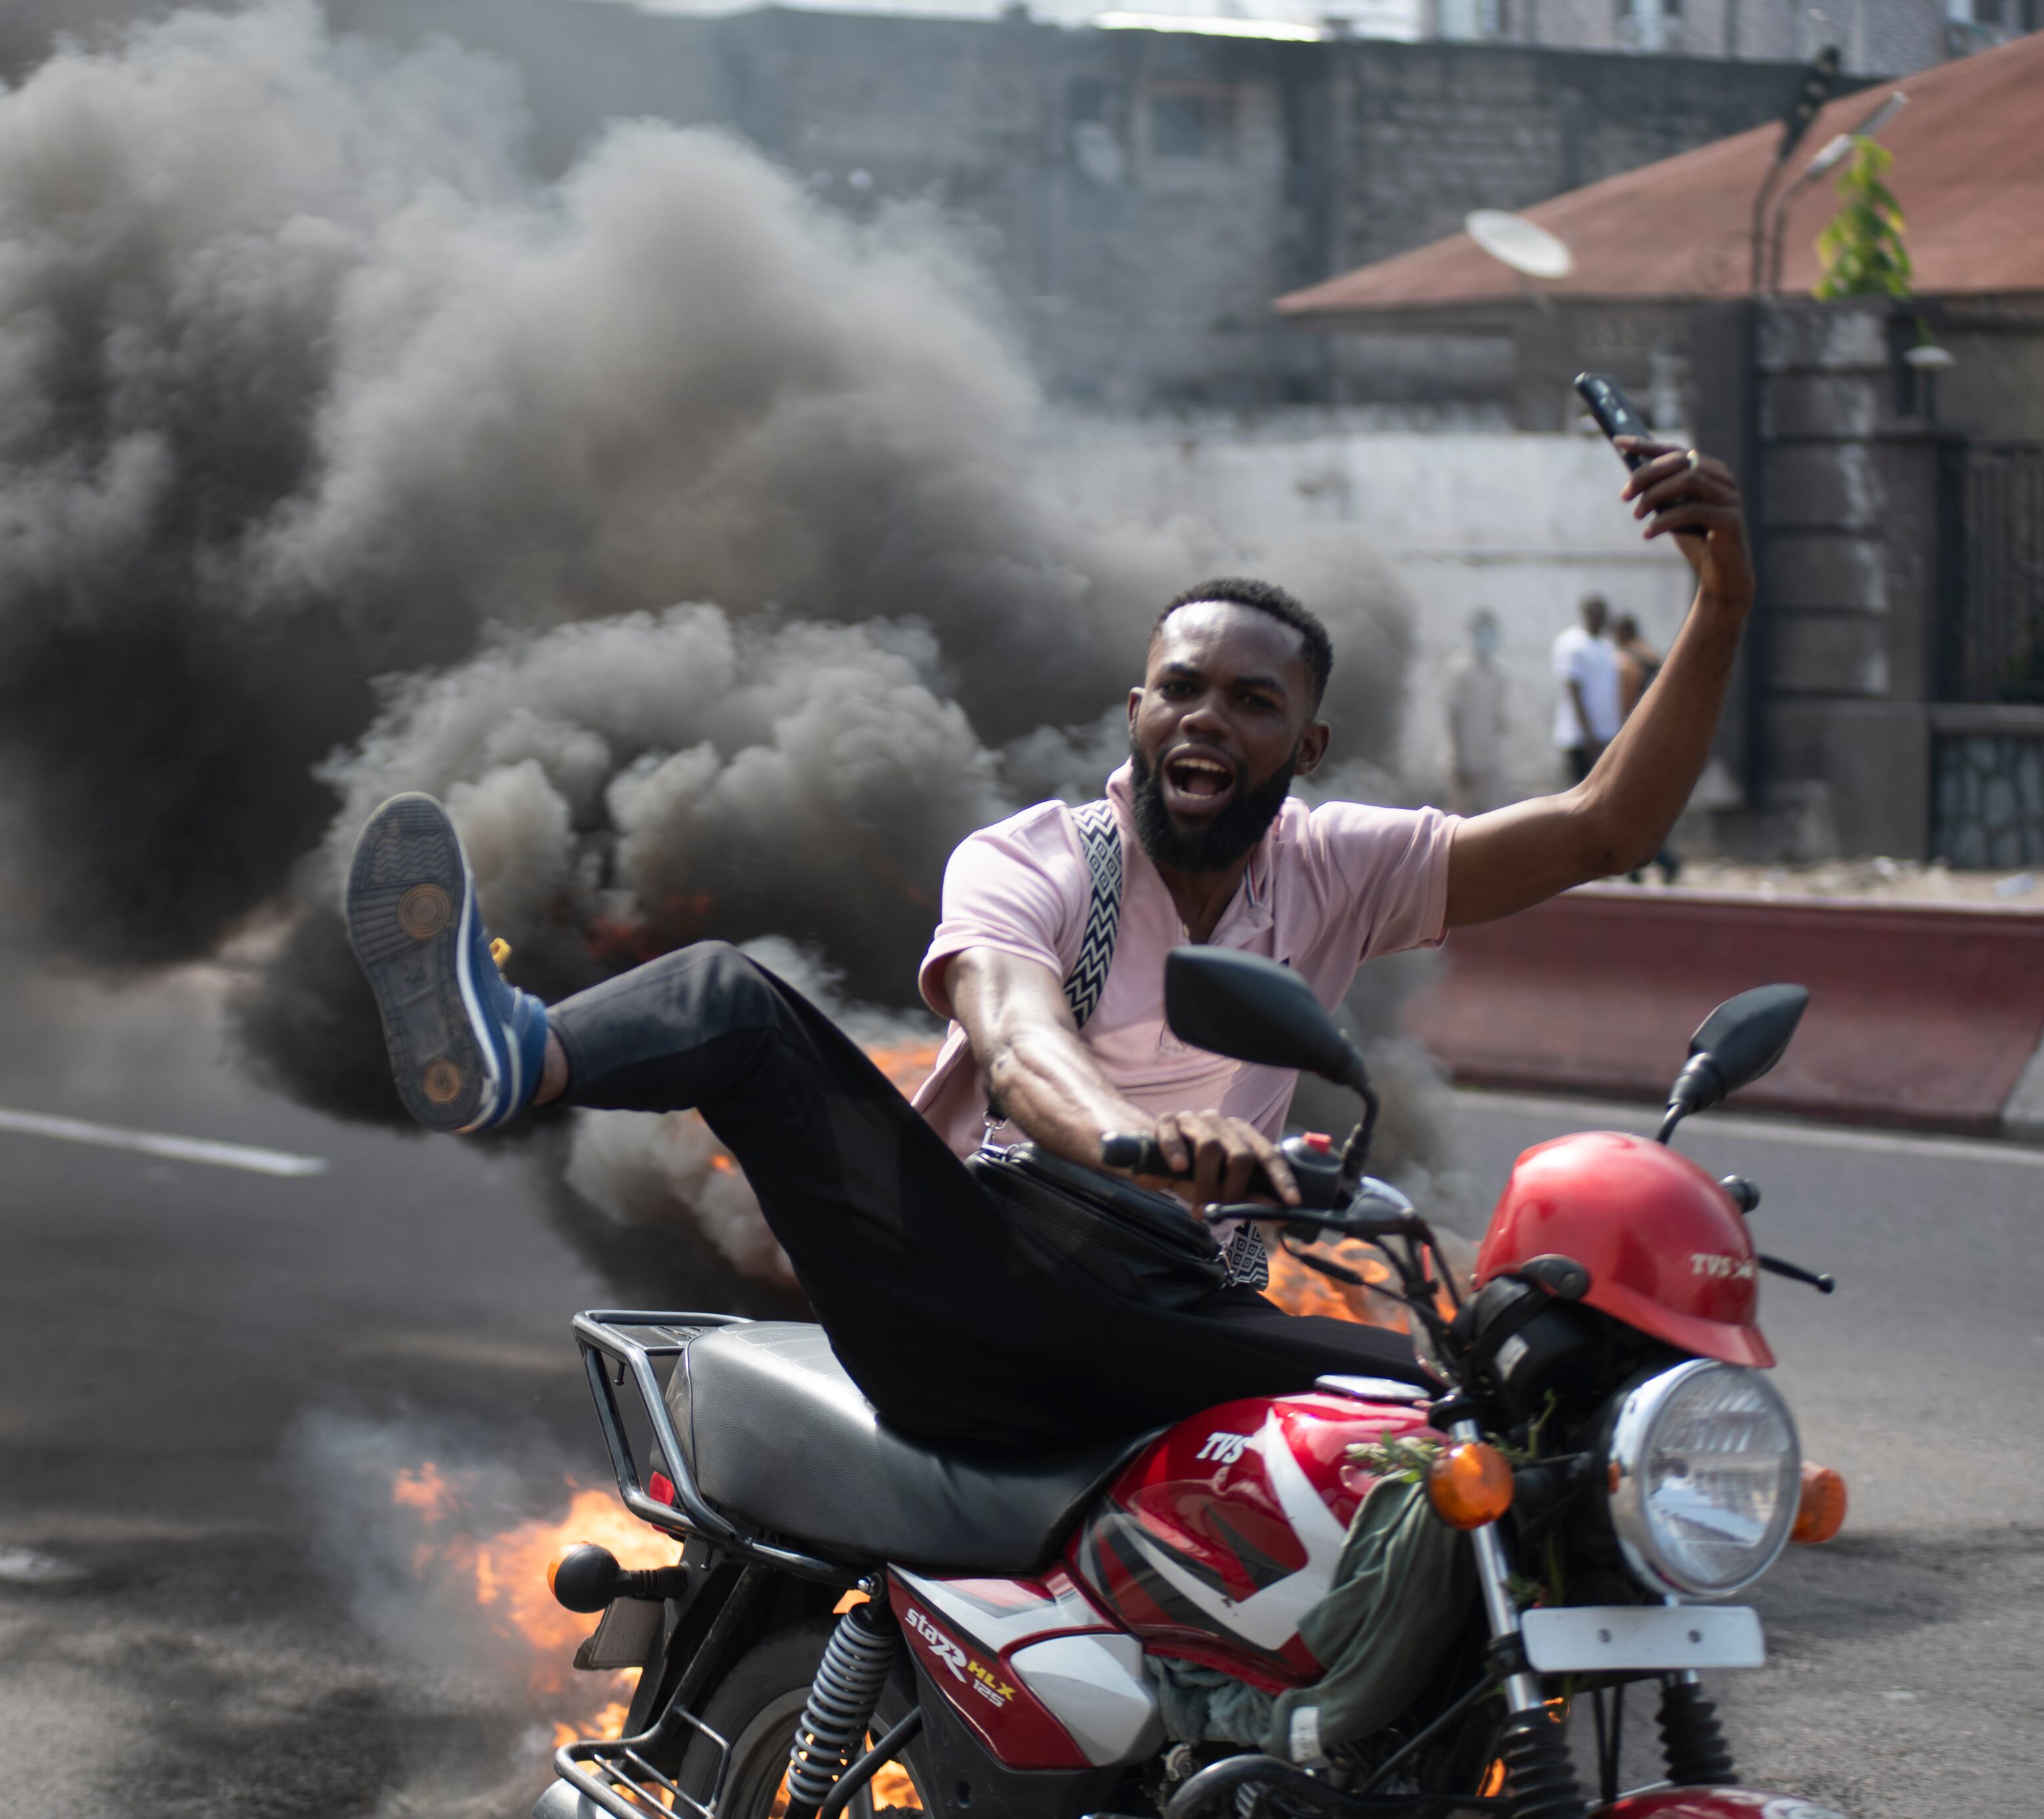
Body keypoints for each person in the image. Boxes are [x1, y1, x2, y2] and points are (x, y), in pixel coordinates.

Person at [342, 437, 1749, 1450]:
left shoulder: (1337, 864)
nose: (1209, 718)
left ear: (1305, 743)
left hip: (1170, 1313)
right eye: (1181, 689)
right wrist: (1139, 1143)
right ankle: (514, 1048)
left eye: (1252, 702)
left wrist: (1722, 599)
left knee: (1482, 1397)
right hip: (959, 1286)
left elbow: (1599, 826)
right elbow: (1020, 1047)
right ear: (1135, 709)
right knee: (735, 999)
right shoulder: (1031, 856)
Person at [1611, 613, 1682, 883]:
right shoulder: (1651, 656)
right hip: (1660, 739)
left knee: (1630, 809)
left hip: (1637, 743)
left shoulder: (1626, 662)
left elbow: (1626, 706)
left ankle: (1659, 863)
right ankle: (1642, 866)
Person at [1445, 608, 1511, 815]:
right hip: (1464, 757)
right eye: (1484, 632)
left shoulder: (1500, 670)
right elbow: (1453, 715)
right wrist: (1458, 760)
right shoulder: (1460, 669)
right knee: (1461, 819)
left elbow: (1498, 713)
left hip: (1491, 757)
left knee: (1491, 818)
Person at [1552, 594, 1621, 786]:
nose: (1599, 619)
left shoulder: (1607, 646)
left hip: (1606, 735)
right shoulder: (1572, 643)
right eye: (1594, 614)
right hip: (1580, 740)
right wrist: (1589, 738)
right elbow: (1574, 692)